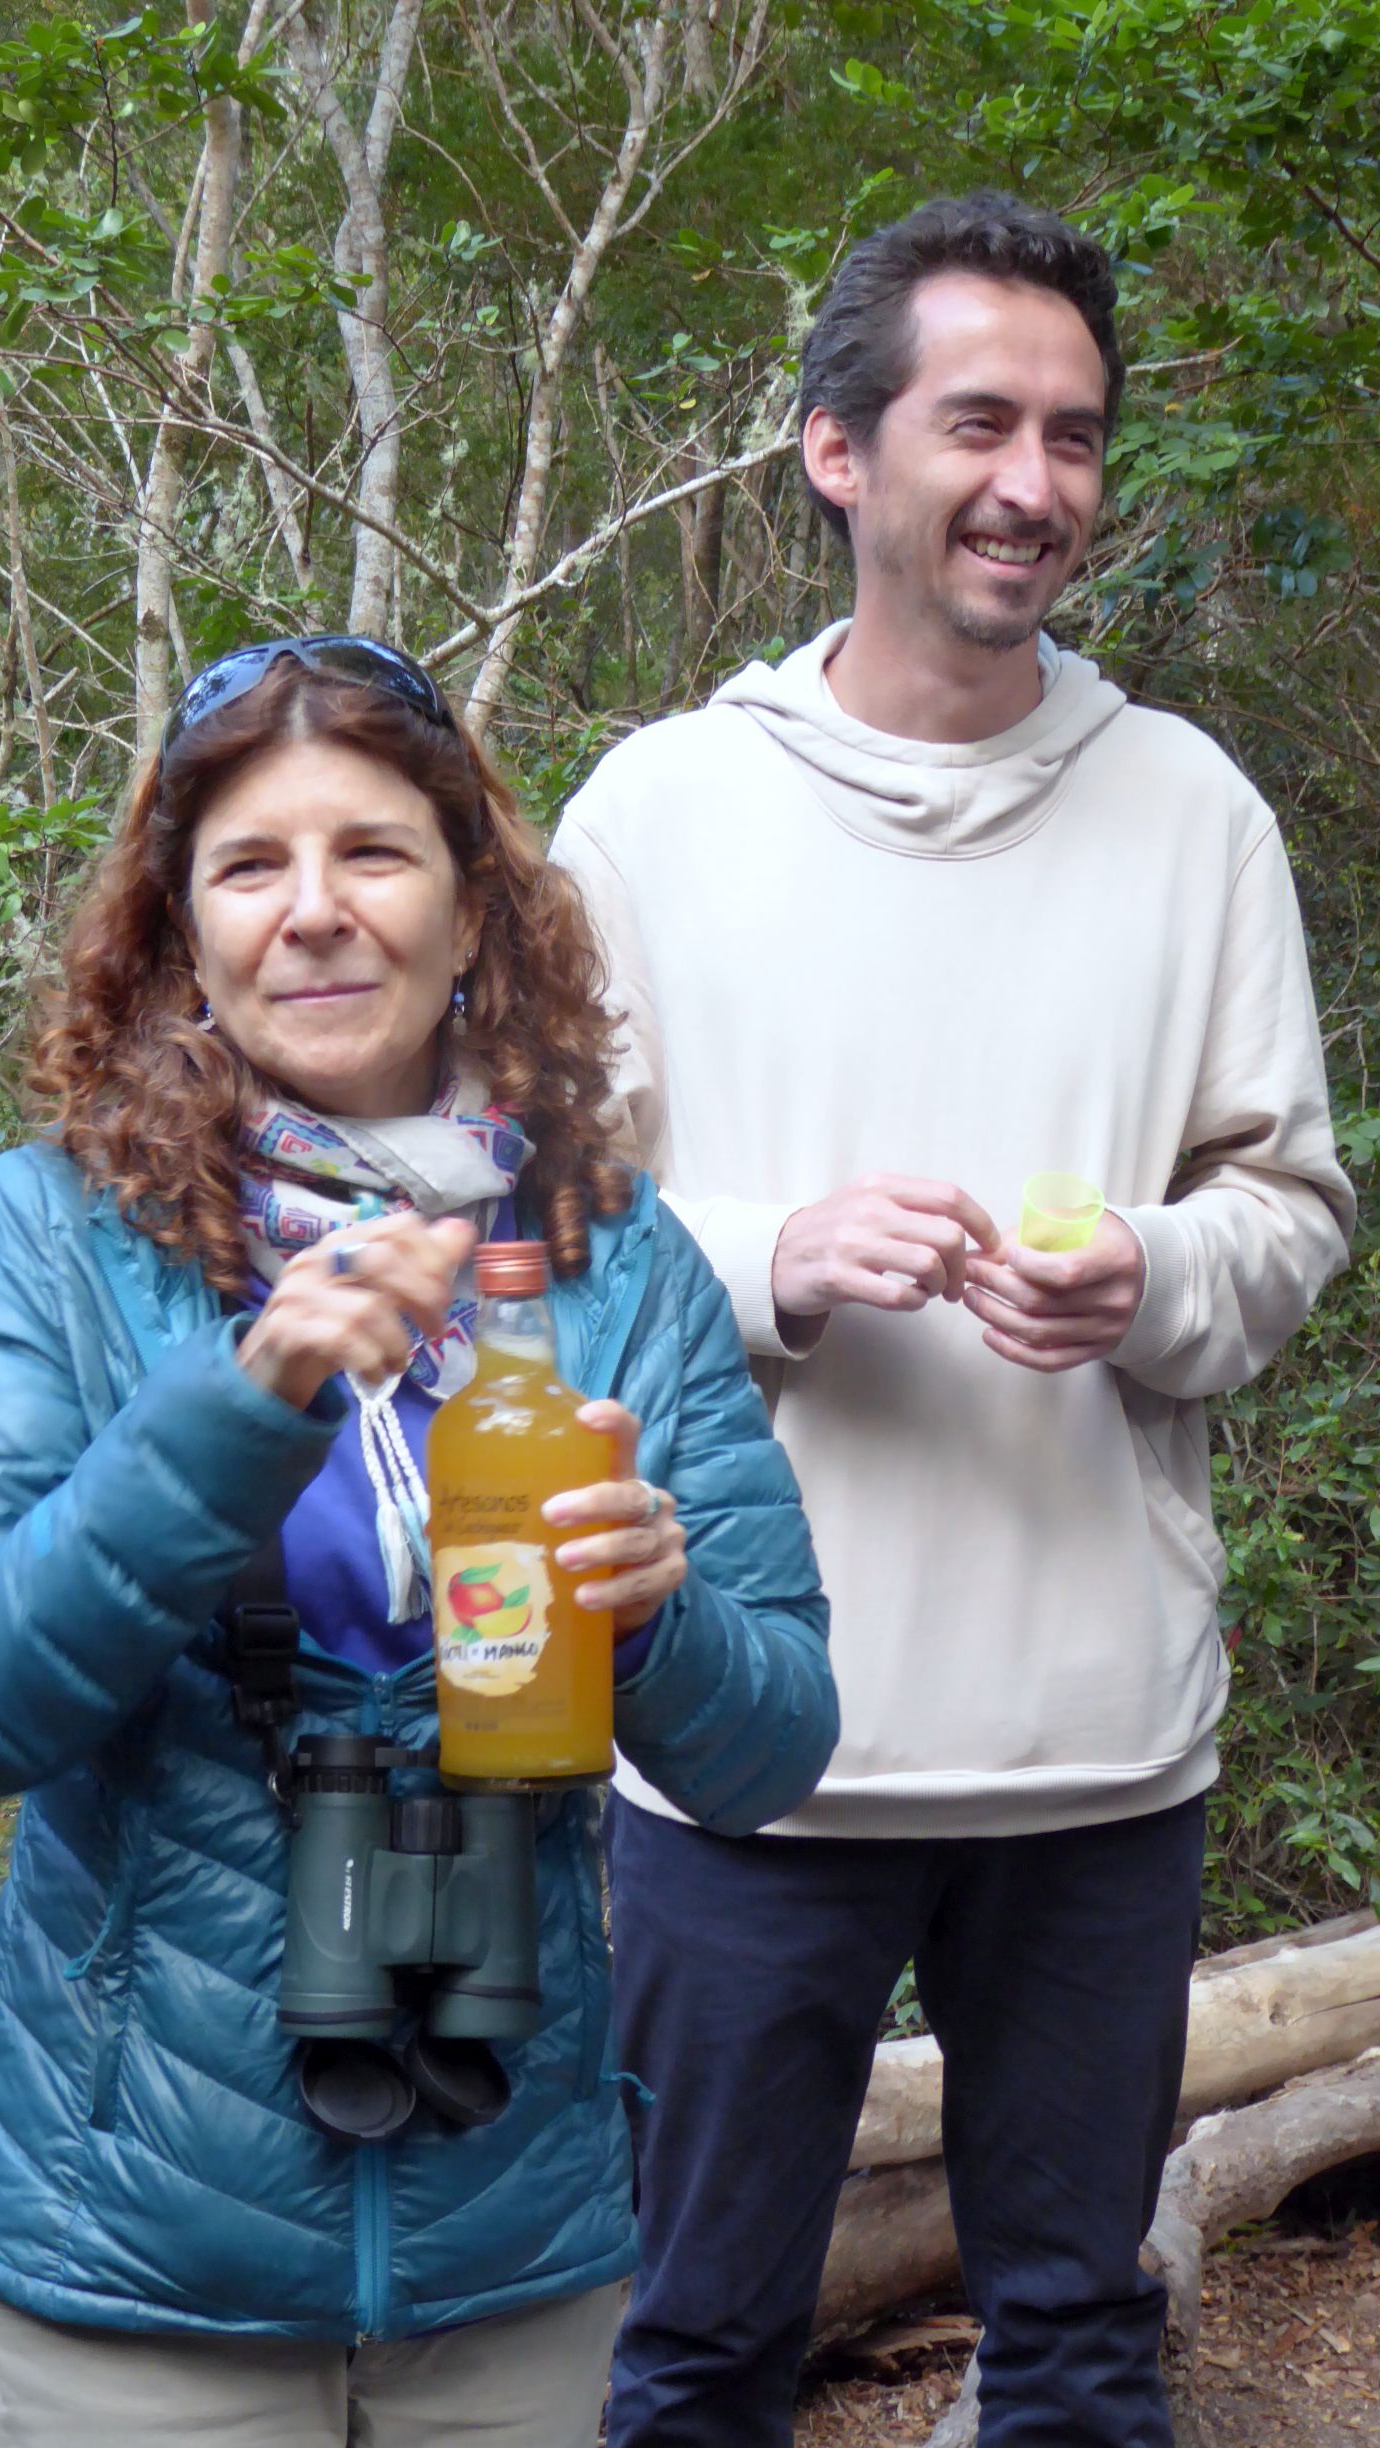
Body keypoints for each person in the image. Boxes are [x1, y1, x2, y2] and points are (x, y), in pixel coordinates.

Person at [552, 194, 1355, 2448]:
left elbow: (1287, 1210)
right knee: (695, 2352)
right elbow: (547, 1237)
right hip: (738, 1740)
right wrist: (770, 1262)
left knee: (1080, 2350)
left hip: (1098, 1748)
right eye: (980, 422)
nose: (1035, 482)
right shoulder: (659, 815)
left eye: (1075, 436)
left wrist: (1153, 1277)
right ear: (838, 449)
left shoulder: (1188, 813)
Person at [0, 633, 836, 2448]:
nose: (314, 910)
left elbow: (772, 1746)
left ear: (474, 913)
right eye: (251, 865)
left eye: (374, 851)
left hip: (514, 2259)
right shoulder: (54, 1236)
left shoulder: (612, 1255)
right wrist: (238, 1406)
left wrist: (658, 1619)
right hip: (131, 2271)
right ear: (184, 934)